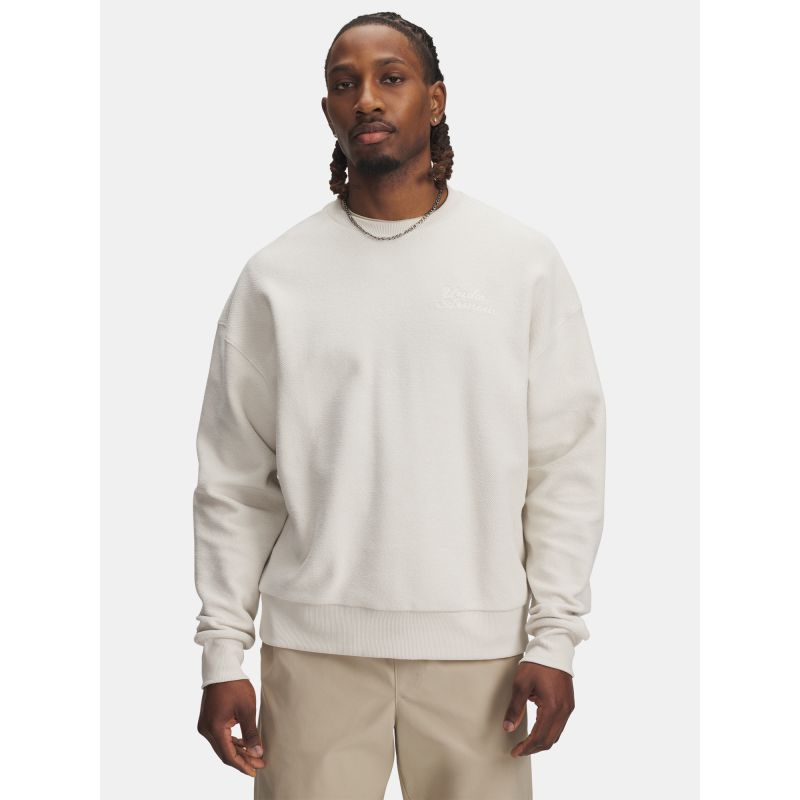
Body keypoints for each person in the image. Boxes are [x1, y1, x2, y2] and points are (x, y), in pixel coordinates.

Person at [193, 11, 606, 800]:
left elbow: (565, 461)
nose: (367, 99)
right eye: (344, 83)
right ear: (328, 109)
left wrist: (554, 640)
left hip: (480, 655)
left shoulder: (518, 262)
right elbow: (234, 481)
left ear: (435, 99)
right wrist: (222, 653)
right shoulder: (277, 277)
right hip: (312, 652)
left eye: (391, 77)